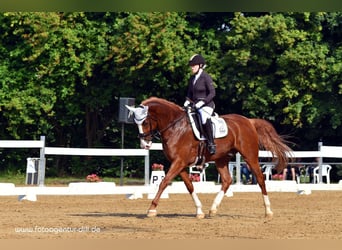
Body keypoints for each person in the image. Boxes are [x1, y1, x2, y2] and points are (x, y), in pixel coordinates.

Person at [183, 54, 216, 154]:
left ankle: (211, 143)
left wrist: (202, 102)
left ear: (200, 65)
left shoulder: (206, 77)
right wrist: (187, 101)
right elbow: (189, 93)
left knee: (204, 118)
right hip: (194, 105)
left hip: (207, 105)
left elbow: (212, 93)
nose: (192, 67)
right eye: (191, 66)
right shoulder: (192, 78)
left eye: (194, 65)